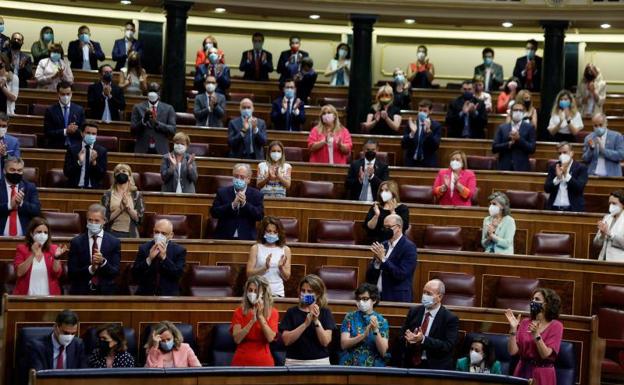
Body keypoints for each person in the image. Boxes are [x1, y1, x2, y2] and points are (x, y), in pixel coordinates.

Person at [395, 279, 459, 369]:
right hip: (411, 364)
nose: (425, 296)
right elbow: (401, 336)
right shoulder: (414, 311)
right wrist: (408, 339)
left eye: (429, 294)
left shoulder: (450, 318)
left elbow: (448, 346)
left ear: (439, 297)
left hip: (435, 366)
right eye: (424, 292)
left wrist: (423, 340)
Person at [505, 288, 563, 385]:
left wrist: (536, 335)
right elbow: (512, 351)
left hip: (542, 374)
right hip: (522, 371)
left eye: (537, 299)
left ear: (547, 304)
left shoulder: (556, 326)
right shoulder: (525, 322)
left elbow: (545, 355)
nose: (533, 302)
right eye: (533, 299)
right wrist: (513, 329)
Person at [280, 274, 335, 365]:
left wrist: (316, 321)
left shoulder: (325, 312)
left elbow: (325, 342)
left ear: (318, 294)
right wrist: (305, 324)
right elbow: (286, 341)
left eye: (310, 291)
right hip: (294, 362)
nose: (305, 294)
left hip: (319, 361)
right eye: (303, 290)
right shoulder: (291, 312)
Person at [67, 203, 121, 295]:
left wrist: (103, 262)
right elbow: (72, 273)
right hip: (81, 291)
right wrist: (91, 269)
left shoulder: (114, 242)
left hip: (105, 292)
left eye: (97, 221)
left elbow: (115, 272)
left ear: (104, 221)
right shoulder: (76, 242)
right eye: (90, 220)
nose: (93, 223)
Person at [365, 214, 417, 302]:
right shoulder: (383, 244)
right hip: (378, 296)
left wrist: (383, 259)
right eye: (384, 227)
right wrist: (377, 263)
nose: (386, 230)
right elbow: (369, 276)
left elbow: (401, 274)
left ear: (399, 227)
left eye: (389, 227)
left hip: (397, 297)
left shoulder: (409, 247)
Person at [231, 275, 279, 366]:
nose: (252, 293)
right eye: (250, 290)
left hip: (264, 362)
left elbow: (270, 338)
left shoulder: (272, 312)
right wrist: (251, 321)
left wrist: (260, 317)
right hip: (241, 361)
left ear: (263, 293)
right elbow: (237, 339)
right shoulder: (239, 312)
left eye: (256, 291)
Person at [339, 283, 389, 367]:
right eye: (359, 299)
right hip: (351, 363)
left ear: (374, 300)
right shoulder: (350, 317)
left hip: (373, 365)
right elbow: (344, 344)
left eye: (365, 299)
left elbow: (383, 352)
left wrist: (376, 331)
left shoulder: (382, 321)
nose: (361, 302)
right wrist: (363, 336)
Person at [13, 217, 66, 295]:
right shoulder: (22, 249)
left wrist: (56, 257)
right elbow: (19, 272)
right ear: (31, 233)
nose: (42, 235)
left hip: (49, 296)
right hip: (26, 296)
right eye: (39, 232)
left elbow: (56, 274)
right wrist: (33, 254)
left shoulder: (53, 249)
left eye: (45, 232)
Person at [210, 163, 264, 240]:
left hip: (247, 237)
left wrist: (245, 204)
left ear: (248, 179)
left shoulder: (256, 194)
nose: (238, 179)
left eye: (242, 177)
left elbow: (259, 216)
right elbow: (214, 213)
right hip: (224, 237)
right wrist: (232, 205)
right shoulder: (222, 192)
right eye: (236, 176)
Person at [132, 218, 186, 296]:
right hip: (146, 294)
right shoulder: (144, 248)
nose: (159, 236)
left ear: (171, 235)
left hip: (169, 295)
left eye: (163, 233)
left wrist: (164, 258)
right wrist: (149, 259)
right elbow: (135, 274)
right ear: (153, 231)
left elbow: (178, 274)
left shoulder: (179, 251)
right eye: (157, 232)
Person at [246, 216, 292, 297]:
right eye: (269, 231)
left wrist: (281, 267)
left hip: (277, 293)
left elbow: (287, 277)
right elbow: (249, 274)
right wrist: (264, 268)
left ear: (279, 233)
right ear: (263, 232)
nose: (272, 234)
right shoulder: (256, 248)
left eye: (275, 232)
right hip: (259, 293)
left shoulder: (285, 249)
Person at [101, 163, 145, 238]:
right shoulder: (107, 194)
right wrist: (120, 208)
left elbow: (140, 219)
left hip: (131, 234)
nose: (121, 173)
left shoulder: (136, 195)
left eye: (124, 171)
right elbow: (104, 219)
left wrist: (127, 207)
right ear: (114, 176)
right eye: (118, 171)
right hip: (111, 233)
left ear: (130, 176)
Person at [131, 82, 176, 154]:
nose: (152, 93)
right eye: (151, 91)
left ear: (159, 93)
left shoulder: (169, 108)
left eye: (155, 91)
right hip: (142, 149)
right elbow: (133, 131)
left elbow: (172, 130)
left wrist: (157, 123)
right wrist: (143, 121)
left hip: (161, 149)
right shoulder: (137, 108)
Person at [0, 157, 41, 236]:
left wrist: (21, 203)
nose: (16, 173)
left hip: (24, 238)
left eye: (19, 170)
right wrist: (9, 205)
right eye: (12, 170)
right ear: (4, 171)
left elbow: (37, 210)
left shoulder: (29, 187)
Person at [492, 102, 536, 172]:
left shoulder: (529, 128)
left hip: (522, 167)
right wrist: (508, 144)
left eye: (520, 110)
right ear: (511, 112)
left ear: (524, 113)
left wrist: (519, 139)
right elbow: (494, 148)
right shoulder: (502, 128)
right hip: (504, 166)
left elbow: (532, 149)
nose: (518, 112)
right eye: (516, 110)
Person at [544, 141, 588, 212]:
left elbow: (579, 188)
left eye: (565, 152)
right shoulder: (553, 167)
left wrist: (566, 175)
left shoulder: (581, 168)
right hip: (554, 208)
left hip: (573, 209)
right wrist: (558, 178)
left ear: (571, 153)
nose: (562, 155)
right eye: (559, 153)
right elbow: (547, 189)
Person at [63, 122, 108, 189]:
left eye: (93, 134)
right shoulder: (72, 149)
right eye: (88, 133)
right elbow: (67, 173)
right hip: (74, 188)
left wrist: (94, 163)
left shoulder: (101, 151)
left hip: (93, 190)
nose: (91, 136)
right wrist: (79, 162)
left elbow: (101, 176)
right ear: (82, 133)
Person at [43, 81, 84, 149]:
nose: (66, 97)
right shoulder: (50, 111)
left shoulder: (79, 110)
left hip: (74, 147)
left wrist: (74, 130)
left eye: (68, 94)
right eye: (63, 94)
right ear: (58, 94)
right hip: (56, 146)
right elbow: (47, 133)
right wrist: (65, 131)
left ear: (71, 94)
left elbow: (82, 131)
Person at [402, 99, 442, 167]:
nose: (422, 113)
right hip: (411, 163)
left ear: (430, 111)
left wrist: (428, 130)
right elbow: (403, 145)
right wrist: (412, 133)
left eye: (425, 111)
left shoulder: (436, 126)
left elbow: (435, 146)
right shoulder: (411, 124)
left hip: (428, 163)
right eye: (420, 110)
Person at [593, 190, 624, 262]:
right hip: (602, 260)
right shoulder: (607, 217)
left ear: (623, 204)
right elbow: (596, 245)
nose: (611, 206)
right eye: (610, 203)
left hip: (619, 262)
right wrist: (602, 235)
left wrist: (610, 234)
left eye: (614, 203)